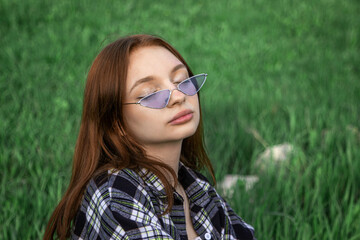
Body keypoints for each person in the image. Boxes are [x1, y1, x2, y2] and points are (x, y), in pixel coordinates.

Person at [44, 34, 256, 240]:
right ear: (117, 122)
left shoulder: (195, 186)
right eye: (151, 94)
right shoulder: (115, 197)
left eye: (182, 80)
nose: (179, 96)